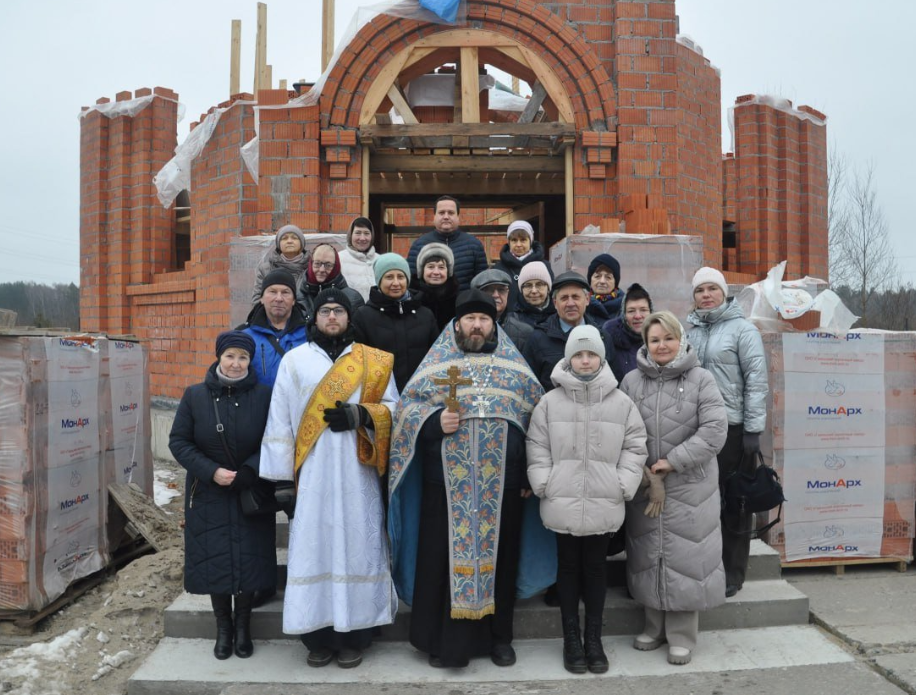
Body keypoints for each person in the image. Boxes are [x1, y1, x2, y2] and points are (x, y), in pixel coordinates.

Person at [389, 290, 554, 669]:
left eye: (483, 319)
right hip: (444, 486)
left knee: (503, 563)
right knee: (440, 563)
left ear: (493, 324)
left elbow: (538, 422)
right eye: (469, 319)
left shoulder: (516, 371)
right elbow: (405, 412)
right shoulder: (436, 367)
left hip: (505, 486)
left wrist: (531, 468)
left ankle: (500, 639)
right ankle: (442, 641)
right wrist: (432, 423)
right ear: (457, 325)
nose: (476, 325)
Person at [259, 289, 399, 669]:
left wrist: (362, 416)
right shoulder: (295, 360)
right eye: (325, 311)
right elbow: (281, 421)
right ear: (314, 318)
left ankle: (356, 635)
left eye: (339, 311)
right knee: (314, 548)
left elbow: (393, 410)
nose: (332, 317)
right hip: (313, 476)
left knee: (359, 547)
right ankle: (316, 637)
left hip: (359, 475)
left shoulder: (372, 362)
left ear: (349, 318)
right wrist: (281, 481)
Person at [526, 325, 648, 674]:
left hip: (602, 499)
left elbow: (634, 445)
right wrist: (543, 481)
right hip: (561, 498)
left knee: (595, 570)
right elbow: (537, 446)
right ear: (568, 358)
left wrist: (623, 483)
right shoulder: (550, 403)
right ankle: (571, 639)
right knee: (567, 569)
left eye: (590, 353)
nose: (584, 360)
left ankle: (593, 638)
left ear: (601, 357)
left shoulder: (621, 402)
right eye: (578, 354)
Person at [620, 310, 727, 665]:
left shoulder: (701, 379)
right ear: (645, 344)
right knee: (649, 553)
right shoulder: (632, 382)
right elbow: (621, 429)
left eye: (668, 338)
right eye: (654, 340)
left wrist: (673, 460)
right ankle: (654, 626)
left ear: (680, 339)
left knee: (685, 557)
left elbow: (714, 431)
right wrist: (645, 470)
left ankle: (682, 634)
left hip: (689, 486)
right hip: (646, 484)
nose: (662, 345)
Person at [169, 331, 276, 661]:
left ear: (249, 361)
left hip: (250, 490)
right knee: (215, 557)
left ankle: (243, 625)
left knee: (249, 557)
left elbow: (276, 438)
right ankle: (223, 628)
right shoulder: (195, 396)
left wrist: (251, 470)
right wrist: (210, 471)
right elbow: (179, 442)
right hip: (208, 491)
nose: (235, 363)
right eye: (230, 356)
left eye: (242, 357)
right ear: (219, 358)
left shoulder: (265, 395)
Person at [686, 267, 768, 598]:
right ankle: (705, 566)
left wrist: (752, 429)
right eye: (699, 290)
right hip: (697, 429)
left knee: (735, 502)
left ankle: (733, 572)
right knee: (703, 501)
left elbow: (756, 381)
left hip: (733, 429)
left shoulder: (743, 330)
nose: (706, 295)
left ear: (724, 293)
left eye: (712, 289)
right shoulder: (688, 330)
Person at [352, 253, 439, 391]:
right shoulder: (363, 316)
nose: (396, 283)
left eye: (401, 277)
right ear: (379, 281)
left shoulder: (425, 315)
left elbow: (436, 358)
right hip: (380, 394)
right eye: (389, 277)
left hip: (420, 393)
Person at [523, 271, 619, 393]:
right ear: (555, 303)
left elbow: (614, 382)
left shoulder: (602, 337)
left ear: (587, 299)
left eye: (575, 297)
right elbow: (528, 388)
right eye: (564, 298)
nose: (570, 303)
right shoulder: (537, 339)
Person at [238, 269, 307, 388]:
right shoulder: (243, 336)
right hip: (258, 405)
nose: (279, 298)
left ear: (294, 300)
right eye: (272, 292)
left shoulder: (309, 335)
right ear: (262, 298)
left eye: (285, 292)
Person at [406, 196, 488, 291]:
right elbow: (411, 283)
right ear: (434, 216)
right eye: (441, 213)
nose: (446, 217)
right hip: (428, 305)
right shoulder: (419, 245)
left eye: (451, 213)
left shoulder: (474, 245)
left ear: (458, 217)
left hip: (463, 304)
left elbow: (482, 283)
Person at [471, 269, 533, 353]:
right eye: (489, 290)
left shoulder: (524, 332)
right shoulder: (464, 328)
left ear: (508, 293)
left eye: (501, 290)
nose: (496, 295)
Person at [493, 220, 552, 309]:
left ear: (530, 241)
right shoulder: (498, 269)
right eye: (514, 240)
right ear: (509, 242)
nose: (518, 244)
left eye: (523, 240)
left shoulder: (544, 266)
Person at [296, 243, 362, 318]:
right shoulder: (296, 296)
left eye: (328, 265)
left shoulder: (352, 299)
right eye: (317, 263)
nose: (321, 269)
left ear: (336, 267)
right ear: (311, 264)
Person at [603, 283, 653, 379]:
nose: (638, 316)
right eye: (631, 311)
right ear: (624, 315)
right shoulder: (610, 341)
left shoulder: (661, 341)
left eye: (643, 310)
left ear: (651, 312)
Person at [251, 225, 310, 303]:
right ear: (279, 244)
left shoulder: (312, 268)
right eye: (284, 238)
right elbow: (257, 300)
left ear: (301, 243)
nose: (289, 241)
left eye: (294, 238)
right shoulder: (265, 269)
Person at [413, 242, 459, 329]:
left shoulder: (458, 300)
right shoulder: (411, 298)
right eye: (431, 267)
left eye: (441, 267)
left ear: (448, 271)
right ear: (422, 270)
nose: (436, 272)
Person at [338, 217, 379, 303]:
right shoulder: (339, 259)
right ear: (350, 235)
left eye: (366, 233)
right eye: (358, 233)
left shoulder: (380, 260)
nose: (362, 238)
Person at [514, 261, 556, 328]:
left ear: (548, 288)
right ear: (521, 290)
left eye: (539, 284)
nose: (534, 291)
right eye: (528, 285)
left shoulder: (561, 316)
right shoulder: (512, 320)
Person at [585, 254, 623, 323]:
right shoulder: (581, 304)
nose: (602, 281)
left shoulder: (626, 307)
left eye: (608, 277)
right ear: (590, 280)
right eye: (597, 276)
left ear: (615, 282)